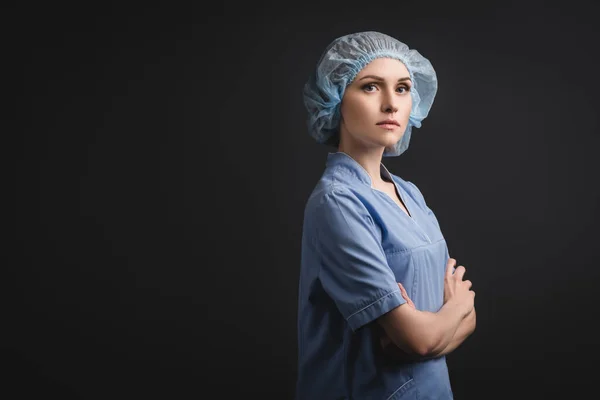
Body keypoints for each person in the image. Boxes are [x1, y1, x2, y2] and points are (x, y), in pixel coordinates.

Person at [295, 31, 476, 400]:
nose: (392, 104)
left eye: (404, 88)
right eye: (371, 87)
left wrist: (430, 329)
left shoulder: (409, 193)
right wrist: (456, 308)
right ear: (336, 99)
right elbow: (422, 339)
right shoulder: (338, 203)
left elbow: (439, 334)